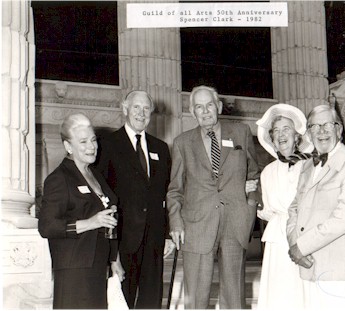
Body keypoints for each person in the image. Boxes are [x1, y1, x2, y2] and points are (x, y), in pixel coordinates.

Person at [167, 85, 260, 309]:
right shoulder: (182, 143)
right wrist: (176, 222)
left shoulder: (241, 132)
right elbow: (175, 189)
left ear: (218, 106)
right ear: (193, 112)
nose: (205, 111)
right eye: (199, 107)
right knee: (196, 299)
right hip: (197, 227)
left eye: (209, 105)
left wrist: (248, 209)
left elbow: (254, 174)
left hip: (234, 225)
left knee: (234, 298)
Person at [287, 104, 345, 309]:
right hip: (306, 266)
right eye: (315, 126)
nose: (321, 131)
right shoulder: (306, 166)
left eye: (327, 125)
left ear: (339, 129)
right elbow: (294, 209)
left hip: (336, 269)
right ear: (308, 134)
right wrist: (294, 244)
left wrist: (302, 247)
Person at [38, 113, 125, 309]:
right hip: (74, 269)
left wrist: (114, 259)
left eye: (93, 140)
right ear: (68, 146)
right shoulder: (59, 178)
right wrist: (91, 222)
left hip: (97, 266)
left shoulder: (94, 174)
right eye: (83, 141)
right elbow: (47, 227)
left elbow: (107, 220)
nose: (92, 146)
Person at [96, 90, 174, 309]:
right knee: (123, 299)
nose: (141, 113)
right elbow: (102, 195)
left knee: (152, 300)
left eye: (146, 108)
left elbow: (167, 195)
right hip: (123, 239)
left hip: (155, 240)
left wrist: (167, 234)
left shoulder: (161, 148)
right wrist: (110, 246)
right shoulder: (108, 145)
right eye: (136, 107)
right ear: (125, 109)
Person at [255, 103, 314, 309]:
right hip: (277, 240)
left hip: (305, 235)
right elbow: (265, 211)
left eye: (286, 129)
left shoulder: (312, 165)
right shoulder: (268, 172)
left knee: (303, 291)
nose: (281, 135)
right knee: (279, 291)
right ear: (271, 137)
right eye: (276, 131)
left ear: (297, 136)